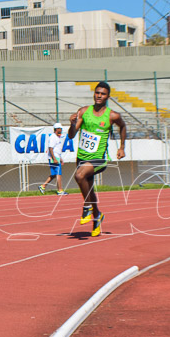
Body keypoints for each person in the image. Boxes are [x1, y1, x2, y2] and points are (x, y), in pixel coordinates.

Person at [65, 81, 127, 236]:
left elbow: (123, 126)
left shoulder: (113, 115)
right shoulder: (84, 111)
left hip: (99, 158)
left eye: (103, 94)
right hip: (82, 157)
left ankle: (87, 207)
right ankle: (97, 215)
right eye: (97, 93)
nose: (99, 96)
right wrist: (72, 124)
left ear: (108, 96)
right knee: (89, 190)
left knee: (79, 176)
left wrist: (121, 147)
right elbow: (71, 135)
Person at [38, 123, 66, 195]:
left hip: (56, 157)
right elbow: (51, 148)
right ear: (57, 129)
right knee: (58, 174)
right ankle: (60, 190)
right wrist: (55, 158)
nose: (61, 130)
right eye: (60, 128)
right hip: (54, 157)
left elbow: (57, 149)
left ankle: (43, 186)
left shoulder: (57, 137)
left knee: (54, 174)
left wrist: (60, 158)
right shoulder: (53, 137)